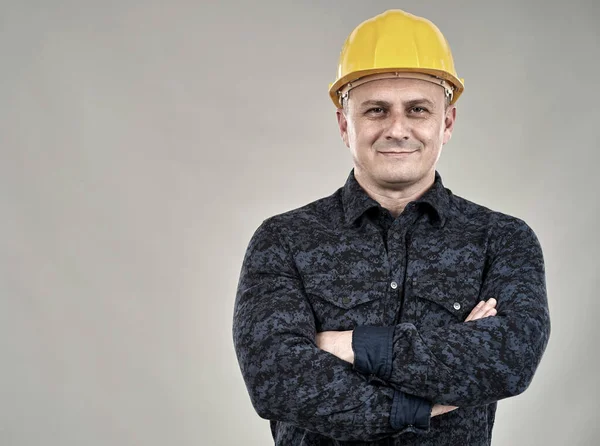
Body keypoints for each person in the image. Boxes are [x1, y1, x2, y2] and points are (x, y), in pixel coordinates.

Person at [232, 9, 550, 446]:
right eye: (376, 110)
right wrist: (424, 401)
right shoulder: (283, 240)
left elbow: (509, 360)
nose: (397, 129)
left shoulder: (503, 240)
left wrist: (351, 346)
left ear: (447, 123)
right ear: (346, 125)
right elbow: (276, 381)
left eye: (417, 109)